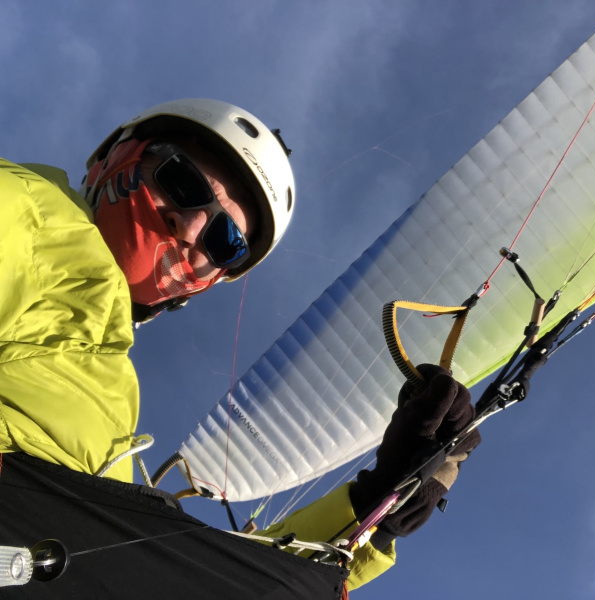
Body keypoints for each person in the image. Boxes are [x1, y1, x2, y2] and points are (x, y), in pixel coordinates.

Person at [0, 99, 478, 595]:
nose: (190, 228)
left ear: (210, 280)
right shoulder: (26, 213)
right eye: (180, 182)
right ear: (113, 158)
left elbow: (178, 571)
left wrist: (377, 504)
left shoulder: (106, 387)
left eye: (224, 241)